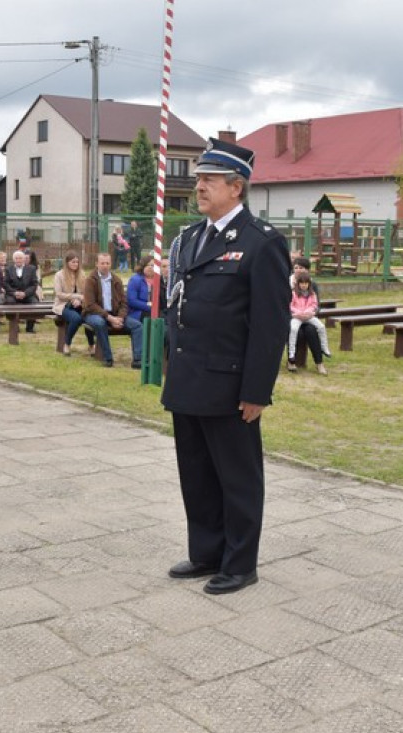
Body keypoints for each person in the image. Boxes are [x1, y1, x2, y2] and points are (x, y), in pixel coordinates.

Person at [162, 137, 290, 595]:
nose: (199, 186)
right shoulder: (190, 238)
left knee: (237, 479)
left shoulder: (261, 243)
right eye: (199, 179)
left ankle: (239, 564)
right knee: (196, 474)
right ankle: (206, 552)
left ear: (236, 187)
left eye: (209, 180)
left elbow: (270, 326)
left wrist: (256, 391)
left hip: (229, 384)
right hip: (188, 378)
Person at [82, 252, 143, 368]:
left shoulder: (116, 280)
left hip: (115, 314)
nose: (105, 266)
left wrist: (120, 318)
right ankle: (107, 358)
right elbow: (90, 304)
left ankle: (138, 360)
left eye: (107, 263)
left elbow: (124, 303)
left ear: (111, 264)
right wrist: (109, 318)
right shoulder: (90, 280)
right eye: (102, 263)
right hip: (93, 314)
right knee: (100, 323)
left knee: (137, 326)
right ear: (96, 264)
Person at [52, 251, 95, 356]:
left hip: (80, 304)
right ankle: (67, 344)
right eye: (73, 262)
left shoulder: (82, 274)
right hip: (63, 305)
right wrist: (75, 297)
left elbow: (85, 292)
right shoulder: (59, 275)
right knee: (76, 319)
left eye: (77, 262)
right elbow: (59, 294)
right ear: (67, 262)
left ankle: (91, 345)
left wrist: (79, 300)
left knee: (89, 318)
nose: (75, 264)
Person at [288, 275, 329, 375]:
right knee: (294, 330)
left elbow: (315, 305)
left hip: (308, 316)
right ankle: (291, 356)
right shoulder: (293, 293)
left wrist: (309, 312)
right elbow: (290, 305)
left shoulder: (312, 293)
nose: (303, 285)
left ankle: (323, 352)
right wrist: (298, 313)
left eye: (306, 283)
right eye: (301, 283)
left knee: (317, 328)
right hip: (296, 316)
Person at [4, 249, 40, 332]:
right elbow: (6, 284)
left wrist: (25, 293)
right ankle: (14, 326)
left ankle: (30, 328)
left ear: (24, 259)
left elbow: (34, 284)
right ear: (13, 260)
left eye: (20, 258)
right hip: (13, 294)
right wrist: (15, 293)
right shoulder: (8, 269)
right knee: (9, 302)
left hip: (27, 294)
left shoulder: (32, 269)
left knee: (34, 302)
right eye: (16, 258)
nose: (18, 260)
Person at [126, 255, 154, 323]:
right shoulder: (135, 280)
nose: (150, 267)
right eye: (147, 265)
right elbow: (132, 301)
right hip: (137, 312)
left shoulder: (159, 280)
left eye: (152, 265)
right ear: (142, 266)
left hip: (155, 310)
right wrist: (149, 306)